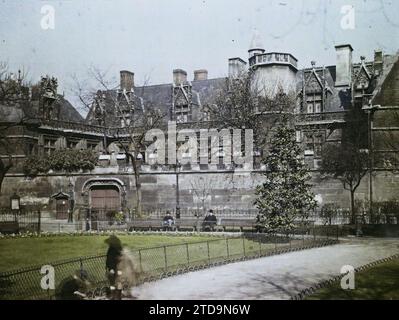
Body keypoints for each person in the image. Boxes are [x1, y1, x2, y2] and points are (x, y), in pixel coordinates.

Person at [105, 235, 123, 300]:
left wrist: (111, 268)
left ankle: (115, 296)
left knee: (113, 282)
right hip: (118, 268)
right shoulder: (119, 248)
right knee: (118, 282)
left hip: (114, 269)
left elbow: (110, 260)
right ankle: (118, 296)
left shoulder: (112, 249)